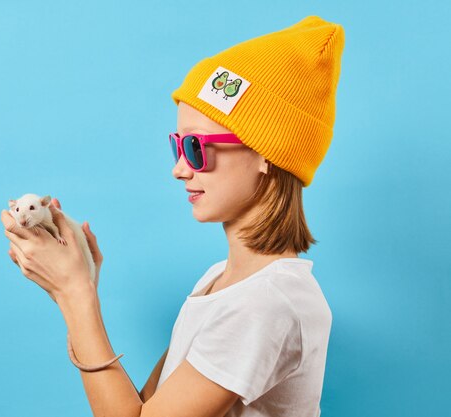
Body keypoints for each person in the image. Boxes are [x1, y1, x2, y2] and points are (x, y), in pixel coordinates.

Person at [139, 15, 345, 417]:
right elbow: (143, 408)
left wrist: (76, 295)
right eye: (177, 146)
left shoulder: (266, 302)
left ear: (265, 152)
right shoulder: (219, 280)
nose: (180, 169)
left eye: (196, 147)